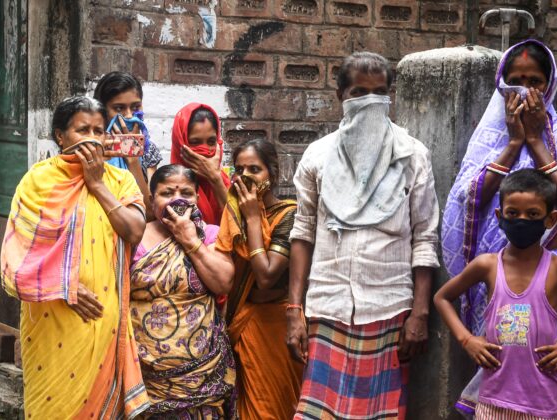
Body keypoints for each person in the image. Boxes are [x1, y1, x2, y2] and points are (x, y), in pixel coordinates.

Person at [439, 39, 557, 412]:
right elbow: (472, 199)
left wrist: (537, 141)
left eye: (535, 81)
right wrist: (512, 143)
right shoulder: (488, 136)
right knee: (496, 365)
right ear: (502, 85)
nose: (526, 90)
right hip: (497, 275)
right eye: (516, 80)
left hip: (548, 276)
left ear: (550, 84)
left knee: (542, 367)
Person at [287, 51, 440, 419]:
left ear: (391, 96)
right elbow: (303, 232)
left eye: (379, 91)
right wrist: (294, 309)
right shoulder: (318, 156)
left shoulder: (413, 156)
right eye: (359, 92)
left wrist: (420, 313)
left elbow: (425, 237)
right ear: (341, 96)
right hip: (327, 307)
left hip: (389, 310)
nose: (370, 100)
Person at [0, 96, 149, 418]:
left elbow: (135, 231)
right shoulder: (38, 181)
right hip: (52, 318)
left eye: (98, 130)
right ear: (60, 136)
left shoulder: (119, 181)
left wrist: (96, 183)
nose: (93, 138)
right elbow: (16, 256)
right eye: (83, 130)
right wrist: (63, 285)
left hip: (102, 319)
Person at [435, 169, 557, 419]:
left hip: (542, 406)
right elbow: (442, 298)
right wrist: (467, 340)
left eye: (532, 214)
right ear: (500, 216)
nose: (521, 220)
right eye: (513, 213)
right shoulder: (486, 265)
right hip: (492, 402)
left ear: (550, 219)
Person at [130, 164, 237, 418]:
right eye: (167, 193)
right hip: (148, 376)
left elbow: (223, 283)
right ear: (151, 199)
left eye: (186, 193)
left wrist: (190, 240)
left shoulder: (210, 235)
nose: (177, 199)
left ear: (197, 198)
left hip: (203, 374)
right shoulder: (135, 238)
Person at [215, 139, 303, 419]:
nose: (246, 177)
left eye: (255, 168)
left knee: (276, 408)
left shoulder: (289, 214)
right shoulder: (233, 214)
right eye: (240, 169)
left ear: (272, 174)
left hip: (277, 326)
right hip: (244, 323)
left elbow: (265, 275)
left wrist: (254, 219)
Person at [94, 71, 163, 219]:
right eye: (119, 108)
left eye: (136, 107)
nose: (130, 115)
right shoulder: (91, 149)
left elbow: (149, 213)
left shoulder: (148, 150)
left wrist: (132, 159)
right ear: (102, 111)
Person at [171, 103, 230, 225]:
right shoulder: (170, 187)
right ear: (180, 143)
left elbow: (238, 225)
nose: (205, 149)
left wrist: (215, 179)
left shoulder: (224, 181)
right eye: (195, 142)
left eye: (211, 141)